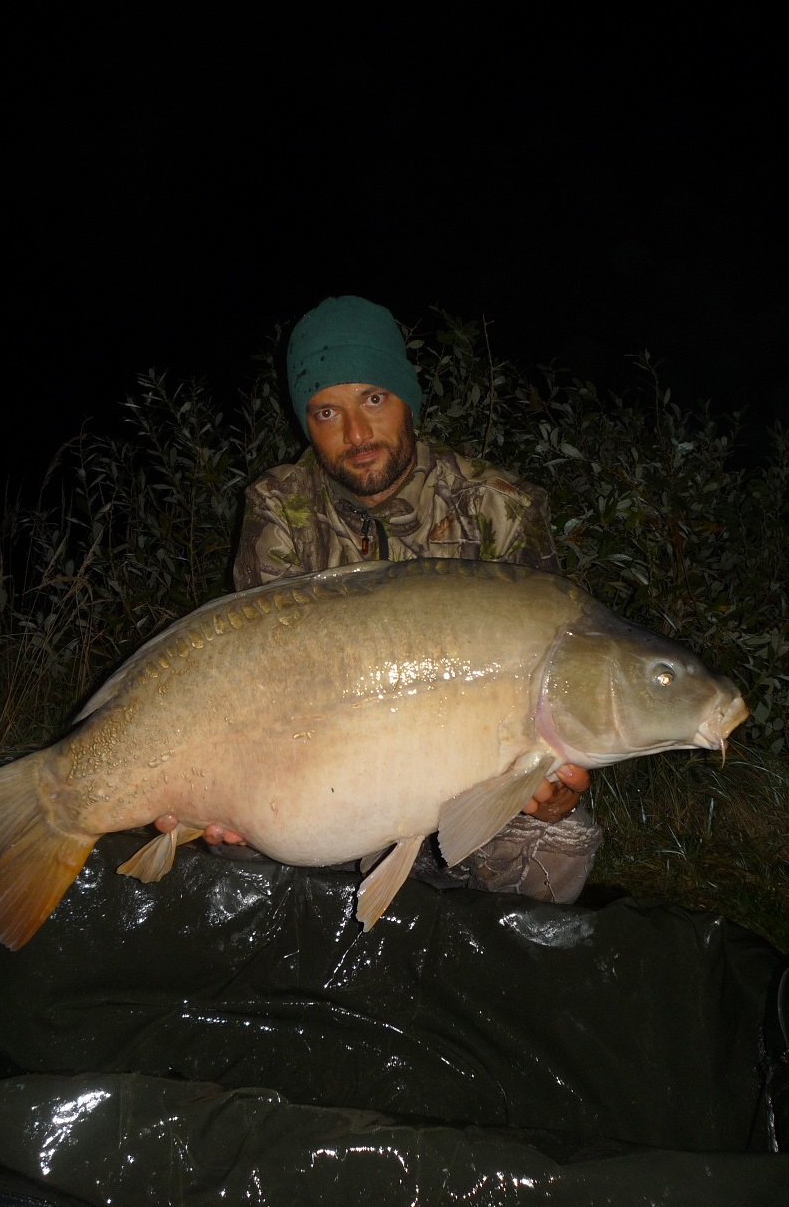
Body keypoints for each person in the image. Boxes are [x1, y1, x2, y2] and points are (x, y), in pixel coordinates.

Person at [174, 294, 600, 904]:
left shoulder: (499, 506)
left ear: (408, 398)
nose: (355, 434)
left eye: (374, 400)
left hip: (471, 784)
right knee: (233, 840)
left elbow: (558, 684)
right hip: (330, 777)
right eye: (326, 412)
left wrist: (556, 790)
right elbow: (258, 686)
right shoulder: (280, 507)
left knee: (559, 845)